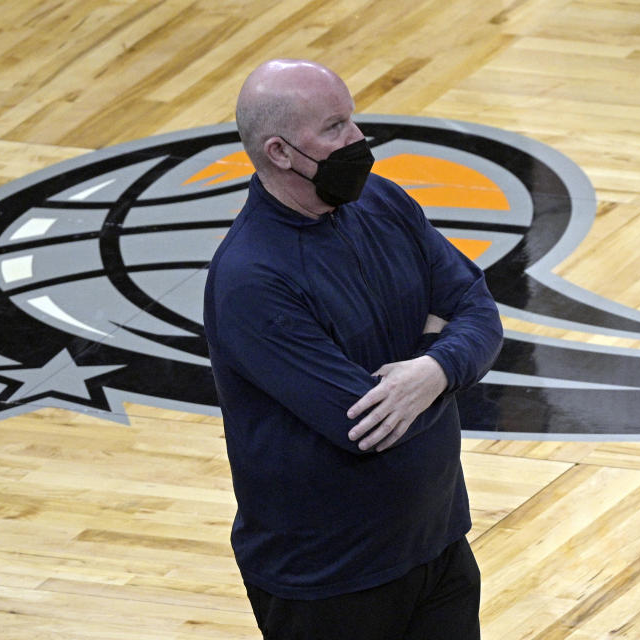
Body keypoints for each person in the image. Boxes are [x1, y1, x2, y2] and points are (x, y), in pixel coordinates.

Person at [203, 59, 503, 640]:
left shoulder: (383, 204)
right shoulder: (252, 279)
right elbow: (364, 422)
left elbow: (481, 310)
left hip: (436, 541)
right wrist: (436, 345)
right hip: (331, 579)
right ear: (281, 152)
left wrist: (433, 368)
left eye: (353, 120)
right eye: (335, 127)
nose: (358, 141)